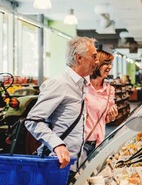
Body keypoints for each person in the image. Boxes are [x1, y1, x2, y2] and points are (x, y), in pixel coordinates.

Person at [24, 37, 98, 173]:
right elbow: (32, 121)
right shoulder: (59, 83)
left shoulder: (81, 85)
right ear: (79, 58)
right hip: (56, 163)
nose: (97, 61)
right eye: (94, 56)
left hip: (73, 163)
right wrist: (57, 145)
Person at [80, 50, 118, 164]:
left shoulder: (110, 90)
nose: (110, 67)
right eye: (106, 63)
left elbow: (105, 117)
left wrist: (112, 116)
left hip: (99, 142)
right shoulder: (82, 86)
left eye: (111, 64)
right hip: (81, 144)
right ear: (97, 64)